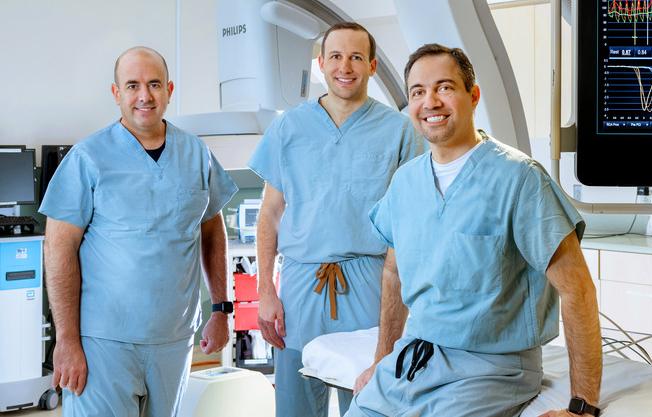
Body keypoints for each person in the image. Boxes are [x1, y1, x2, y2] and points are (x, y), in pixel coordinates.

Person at [346, 44, 603, 417]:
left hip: (492, 371)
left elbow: (576, 287)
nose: (430, 101)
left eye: (444, 87)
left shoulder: (520, 180)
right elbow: (393, 273)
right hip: (413, 362)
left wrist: (583, 407)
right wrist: (382, 361)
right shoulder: (405, 183)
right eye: (418, 92)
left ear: (473, 95)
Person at [40, 46, 238, 417]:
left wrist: (222, 309)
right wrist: (65, 340)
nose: (144, 96)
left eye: (154, 84)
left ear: (169, 90)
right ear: (117, 94)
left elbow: (212, 230)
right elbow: (58, 250)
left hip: (173, 336)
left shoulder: (197, 154)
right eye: (132, 85)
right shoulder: (89, 158)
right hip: (104, 341)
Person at [248, 22, 423, 417]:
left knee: (369, 402)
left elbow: (412, 220)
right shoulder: (289, 127)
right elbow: (270, 213)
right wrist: (265, 291)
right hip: (300, 285)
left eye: (357, 57)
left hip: (371, 282)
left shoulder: (398, 130)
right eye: (337, 56)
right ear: (321, 64)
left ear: (372, 66)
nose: (346, 66)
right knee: (295, 405)